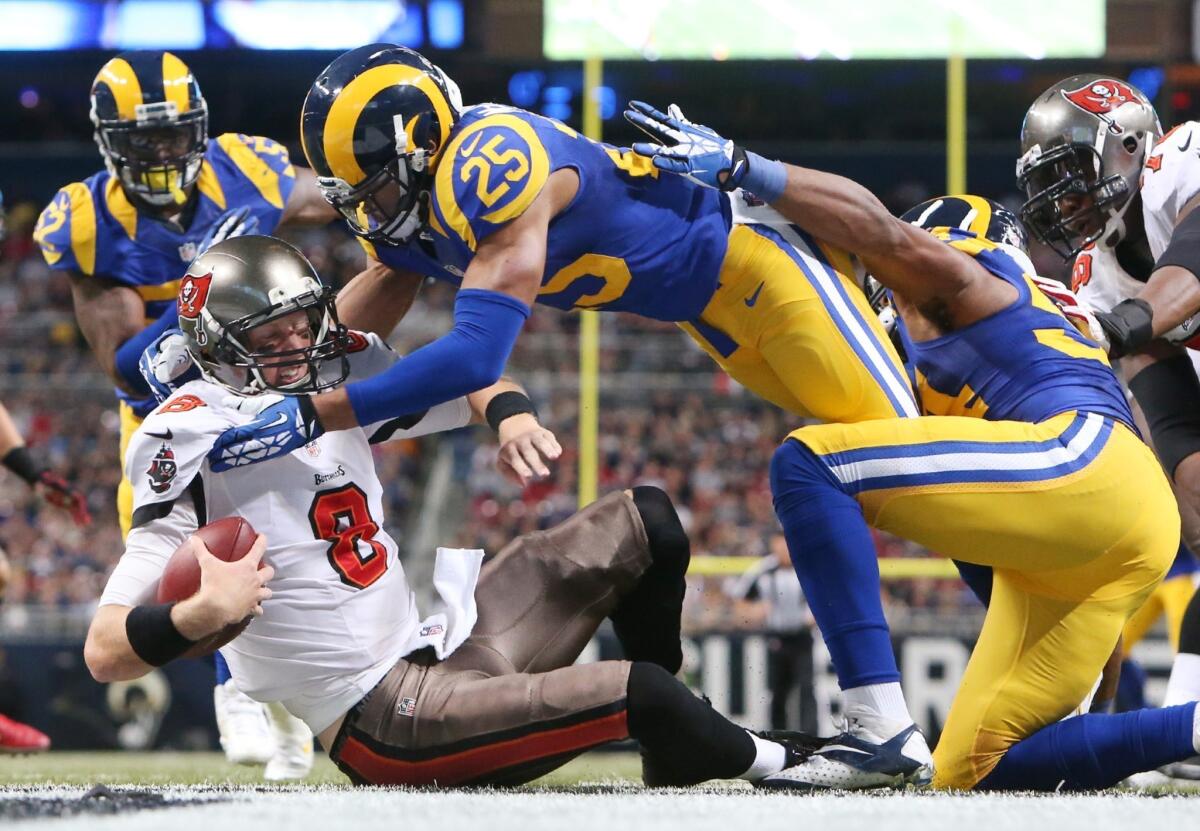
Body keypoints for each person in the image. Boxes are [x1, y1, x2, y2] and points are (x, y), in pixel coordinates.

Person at [84, 235, 816, 788]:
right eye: (272, 343)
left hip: (441, 643)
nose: (301, 351)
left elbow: (471, 378)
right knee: (649, 692)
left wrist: (514, 418)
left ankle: (672, 757)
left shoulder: (328, 381)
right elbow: (105, 649)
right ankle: (792, 761)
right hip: (383, 719)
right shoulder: (191, 437)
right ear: (219, 352)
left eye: (305, 327)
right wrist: (197, 611)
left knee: (647, 519)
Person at [625, 103, 1200, 791]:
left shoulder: (964, 280)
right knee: (973, 765)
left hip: (1087, 463)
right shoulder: (991, 325)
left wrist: (757, 172)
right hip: (1090, 522)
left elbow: (877, 231)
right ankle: (1188, 728)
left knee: (810, 462)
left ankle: (878, 727)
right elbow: (981, 538)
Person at [200, 42, 916, 474]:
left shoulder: (488, 161)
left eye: (377, 189)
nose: (368, 212)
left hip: (759, 260)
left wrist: (314, 414)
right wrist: (285, 372)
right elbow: (389, 276)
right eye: (352, 195)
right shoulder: (410, 202)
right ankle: (879, 717)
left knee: (910, 462)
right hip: (711, 316)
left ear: (421, 145)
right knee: (857, 478)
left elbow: (477, 357)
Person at [28, 49, 385, 777]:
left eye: (174, 134)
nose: (164, 153)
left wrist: (401, 206)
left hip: (264, 388)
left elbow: (348, 197)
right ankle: (238, 684)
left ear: (201, 128)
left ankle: (282, 694)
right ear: (109, 145)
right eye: (144, 141)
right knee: (190, 551)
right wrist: (206, 288)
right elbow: (128, 368)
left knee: (291, 541)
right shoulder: (91, 220)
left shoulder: (246, 170)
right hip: (171, 409)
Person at [1018, 73, 1200, 777]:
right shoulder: (1100, 270)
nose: (1062, 203)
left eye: (1070, 177)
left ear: (1128, 146)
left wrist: (1119, 325)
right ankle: (1187, 732)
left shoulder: (1182, 158)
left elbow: (1191, 263)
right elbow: (1170, 406)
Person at [728, 533, 817, 733]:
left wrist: (816, 615)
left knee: (806, 688)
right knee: (778, 691)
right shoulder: (762, 570)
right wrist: (753, 612)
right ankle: (780, 736)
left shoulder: (808, 567)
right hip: (776, 638)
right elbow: (739, 603)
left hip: (802, 637)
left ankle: (810, 735)